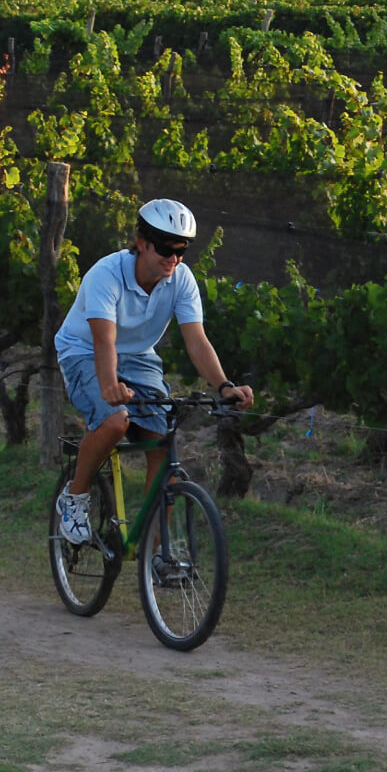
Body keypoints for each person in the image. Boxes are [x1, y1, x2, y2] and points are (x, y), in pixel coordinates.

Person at [52, 198, 256, 544]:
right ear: (142, 243)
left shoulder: (181, 280)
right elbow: (103, 340)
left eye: (182, 250)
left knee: (163, 447)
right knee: (115, 421)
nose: (174, 258)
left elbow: (197, 341)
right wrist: (109, 386)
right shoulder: (106, 274)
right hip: (84, 351)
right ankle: (74, 497)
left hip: (139, 356)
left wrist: (223, 386)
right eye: (165, 248)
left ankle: (156, 552)